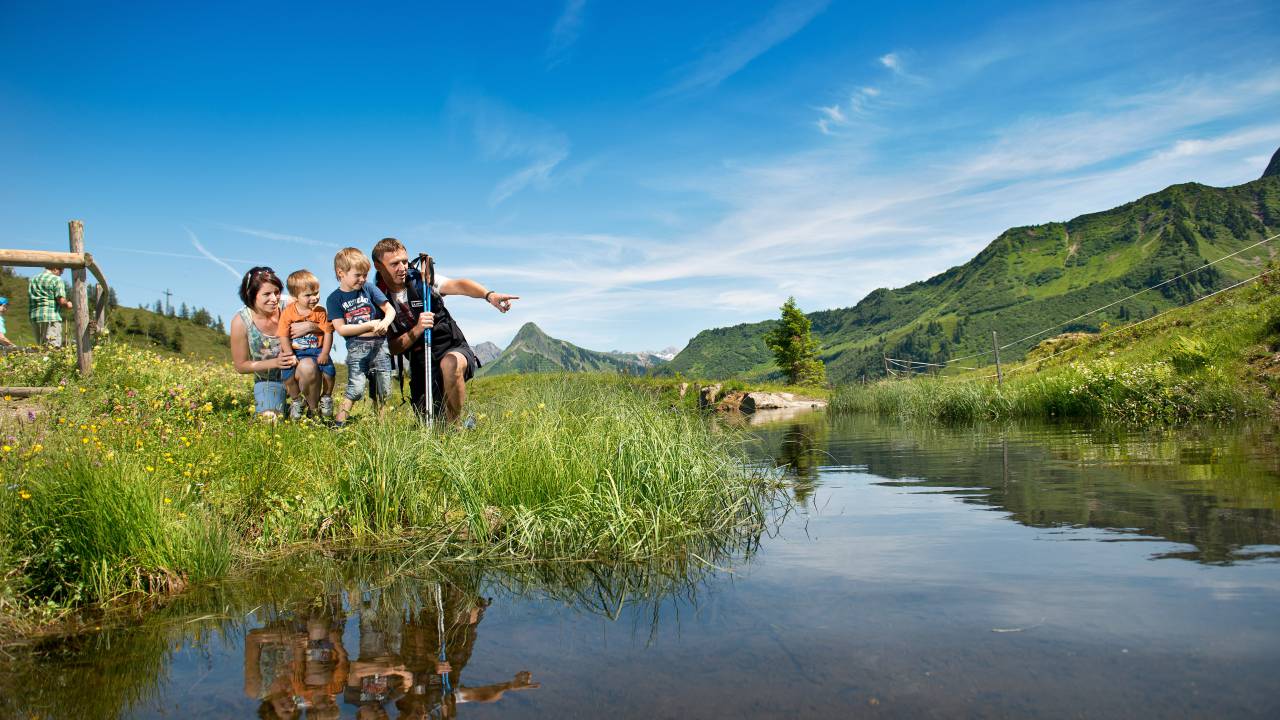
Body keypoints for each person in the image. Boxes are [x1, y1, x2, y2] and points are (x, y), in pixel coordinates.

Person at [371, 237, 517, 423]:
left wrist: (489, 295)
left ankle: (456, 432)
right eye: (394, 264)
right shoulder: (376, 300)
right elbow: (390, 349)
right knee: (432, 424)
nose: (402, 268)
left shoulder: (423, 280)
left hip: (451, 346)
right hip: (420, 362)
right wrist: (417, 330)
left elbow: (459, 285)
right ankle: (460, 423)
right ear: (378, 266)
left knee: (450, 364)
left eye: (404, 261)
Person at [325, 248, 395, 427]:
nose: (362, 279)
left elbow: (390, 310)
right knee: (355, 388)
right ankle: (338, 424)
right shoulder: (334, 299)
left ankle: (382, 426)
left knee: (383, 388)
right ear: (341, 273)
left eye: (365, 275)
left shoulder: (369, 288)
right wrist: (369, 325)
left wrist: (385, 322)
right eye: (357, 275)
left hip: (380, 345)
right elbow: (341, 329)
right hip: (357, 348)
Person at [230, 267, 298, 420]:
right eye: (266, 294)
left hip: (298, 374)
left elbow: (319, 317)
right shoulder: (241, 322)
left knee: (308, 416)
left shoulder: (289, 305)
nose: (274, 298)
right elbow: (241, 366)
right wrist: (276, 362)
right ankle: (278, 405)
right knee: (269, 420)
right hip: (268, 380)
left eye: (277, 292)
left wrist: (306, 327)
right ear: (250, 295)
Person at [278, 269, 336, 420]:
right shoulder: (288, 313)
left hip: (317, 350)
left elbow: (328, 332)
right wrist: (289, 354)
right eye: (308, 295)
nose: (314, 298)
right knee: (287, 377)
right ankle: (297, 401)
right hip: (297, 352)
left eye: (316, 293)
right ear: (295, 297)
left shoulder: (321, 312)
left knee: (329, 372)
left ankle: (327, 396)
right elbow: (283, 335)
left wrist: (324, 353)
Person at [27, 266, 72, 347]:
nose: (62, 273)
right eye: (61, 270)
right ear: (55, 268)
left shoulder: (33, 279)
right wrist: (68, 304)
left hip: (35, 317)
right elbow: (61, 300)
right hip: (51, 316)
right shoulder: (56, 279)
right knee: (53, 348)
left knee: (41, 347)